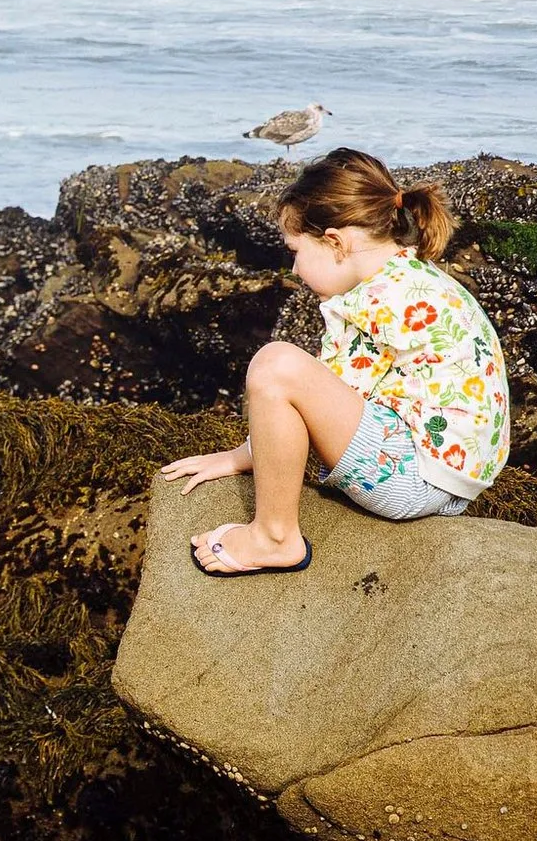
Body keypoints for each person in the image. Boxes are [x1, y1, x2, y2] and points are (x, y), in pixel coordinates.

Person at [162, 147, 510, 575]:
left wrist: (247, 453)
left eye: (296, 250)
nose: (294, 269)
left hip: (414, 480)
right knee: (288, 372)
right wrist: (243, 455)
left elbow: (319, 396)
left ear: (336, 242)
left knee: (276, 365)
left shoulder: (375, 300)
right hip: (453, 480)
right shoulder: (417, 278)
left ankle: (273, 537)